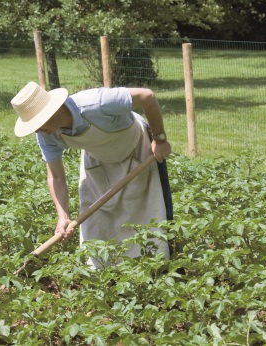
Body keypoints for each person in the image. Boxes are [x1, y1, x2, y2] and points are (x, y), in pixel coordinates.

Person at [10, 81, 173, 268]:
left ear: (52, 110)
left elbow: (147, 96)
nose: (38, 130)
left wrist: (160, 139)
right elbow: (55, 177)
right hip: (98, 160)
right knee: (97, 222)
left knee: (144, 211)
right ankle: (102, 274)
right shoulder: (47, 135)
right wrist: (63, 216)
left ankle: (150, 268)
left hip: (137, 148)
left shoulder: (96, 103)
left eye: (38, 123)